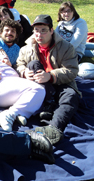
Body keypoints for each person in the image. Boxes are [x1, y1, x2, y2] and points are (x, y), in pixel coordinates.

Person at [17, 14, 80, 145]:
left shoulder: (66, 47)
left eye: (43, 30)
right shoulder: (26, 48)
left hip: (60, 82)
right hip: (39, 85)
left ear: (52, 31)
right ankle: (48, 105)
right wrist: (23, 73)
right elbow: (19, 64)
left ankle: (53, 129)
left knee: (71, 96)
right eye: (36, 30)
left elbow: (72, 70)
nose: (39, 34)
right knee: (33, 64)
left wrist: (51, 75)